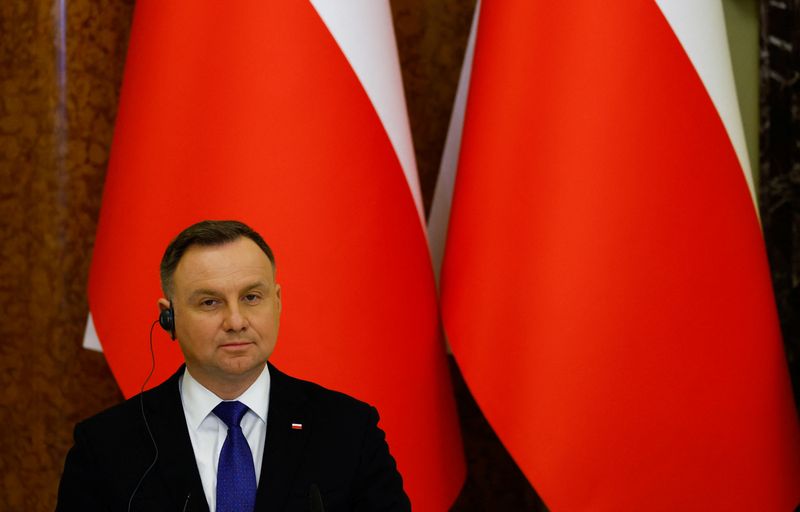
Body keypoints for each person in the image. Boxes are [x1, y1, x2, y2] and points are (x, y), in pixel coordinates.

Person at [57, 220, 410, 511]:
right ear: (170, 317)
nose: (236, 320)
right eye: (210, 302)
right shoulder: (105, 446)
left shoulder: (348, 430)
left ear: (277, 302)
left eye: (251, 298)